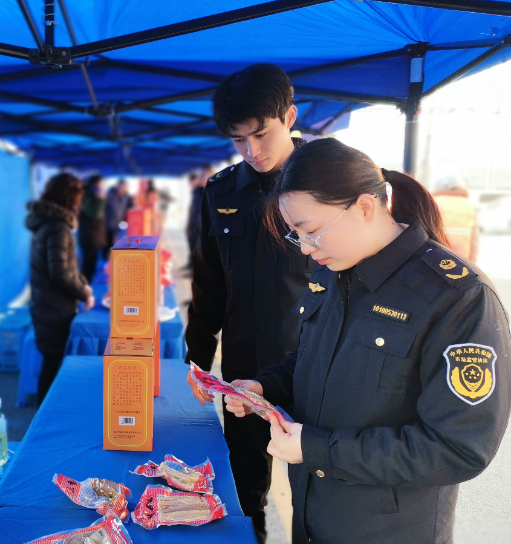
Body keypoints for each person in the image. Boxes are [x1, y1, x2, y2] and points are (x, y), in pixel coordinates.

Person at [225, 138, 511, 544]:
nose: (306, 248)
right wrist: (265, 387)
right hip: (312, 518)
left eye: (313, 231)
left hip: (385, 530)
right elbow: (312, 360)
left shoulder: (457, 298)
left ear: (364, 207)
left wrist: (319, 449)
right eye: (296, 236)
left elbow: (458, 447)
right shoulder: (333, 269)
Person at [184, 63, 315, 543]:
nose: (252, 151)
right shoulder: (221, 193)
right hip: (243, 371)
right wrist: (197, 355)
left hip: (314, 369)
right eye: (239, 140)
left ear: (290, 116)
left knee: (318, 495)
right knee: (243, 490)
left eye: (261, 134)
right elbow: (209, 280)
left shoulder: (327, 185)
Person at [27, 173, 94, 403]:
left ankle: (44, 413)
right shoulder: (58, 228)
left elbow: (64, 268)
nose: (79, 203)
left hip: (47, 304)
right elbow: (61, 274)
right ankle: (44, 420)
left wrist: (83, 286)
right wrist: (84, 292)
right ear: (68, 198)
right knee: (53, 364)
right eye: (77, 197)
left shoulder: (48, 224)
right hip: (53, 308)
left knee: (52, 362)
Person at [432, 176, 479, 261]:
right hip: (462, 259)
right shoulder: (469, 205)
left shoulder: (432, 202)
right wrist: (472, 263)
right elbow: (474, 240)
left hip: (437, 256)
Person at [78, 174, 106, 282]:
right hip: (89, 235)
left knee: (92, 263)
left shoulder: (91, 195)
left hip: (93, 234)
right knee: (88, 264)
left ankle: (86, 285)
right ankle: (84, 286)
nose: (101, 187)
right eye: (100, 184)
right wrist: (100, 199)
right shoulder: (87, 196)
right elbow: (94, 214)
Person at [104, 178, 132, 259]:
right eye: (122, 187)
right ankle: (106, 260)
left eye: (125, 187)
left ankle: (112, 259)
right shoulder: (109, 195)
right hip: (108, 224)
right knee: (108, 244)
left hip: (118, 224)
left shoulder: (125, 197)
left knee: (116, 242)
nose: (123, 189)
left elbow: (127, 209)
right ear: (118, 186)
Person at [184, 172, 206, 271]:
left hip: (199, 222)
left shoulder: (203, 190)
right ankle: (190, 264)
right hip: (193, 220)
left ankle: (195, 268)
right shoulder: (195, 190)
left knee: (197, 246)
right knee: (191, 243)